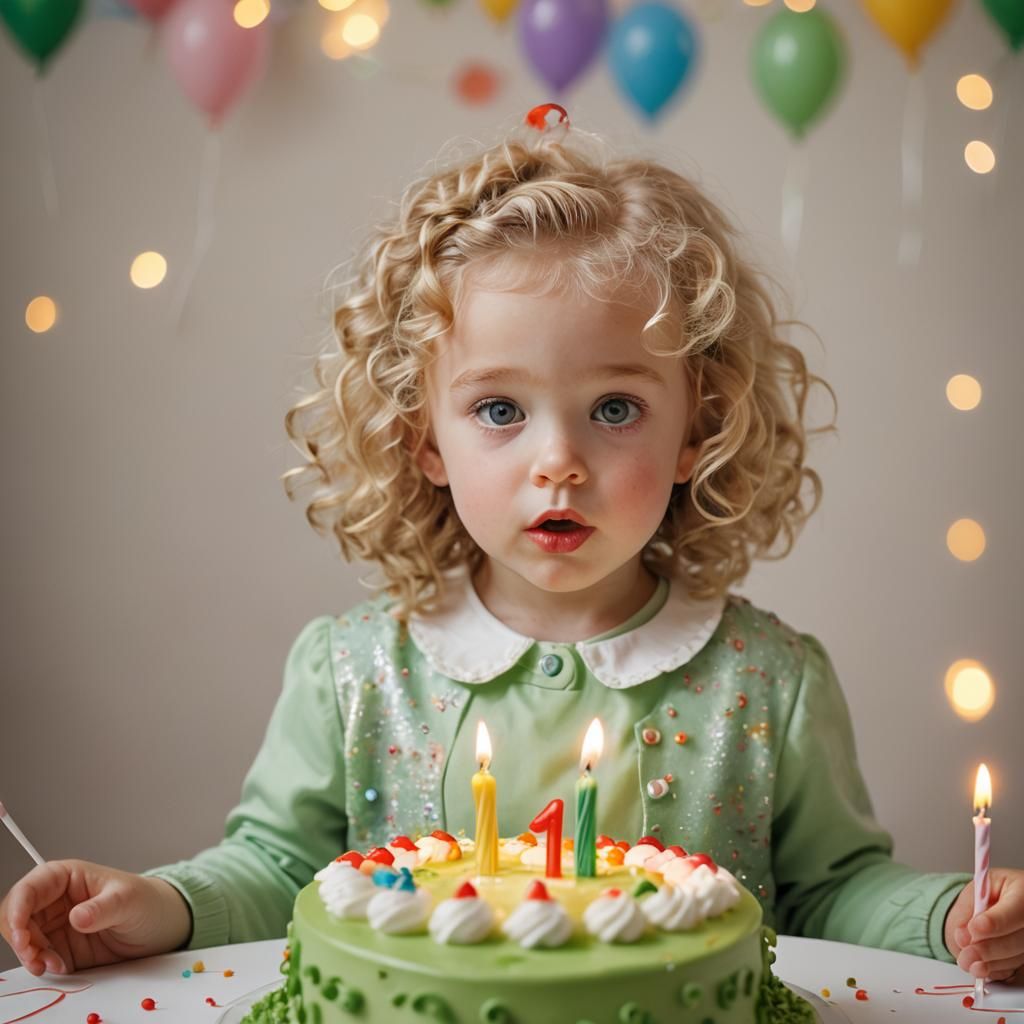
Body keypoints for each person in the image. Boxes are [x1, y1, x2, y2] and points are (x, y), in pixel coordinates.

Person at [2, 106, 1021, 985]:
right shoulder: (355, 674)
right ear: (422, 440)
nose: (558, 461)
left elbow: (835, 891)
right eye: (498, 408)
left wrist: (954, 915)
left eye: (614, 406)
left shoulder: (767, 684)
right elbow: (274, 870)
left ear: (697, 432)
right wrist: (153, 906)